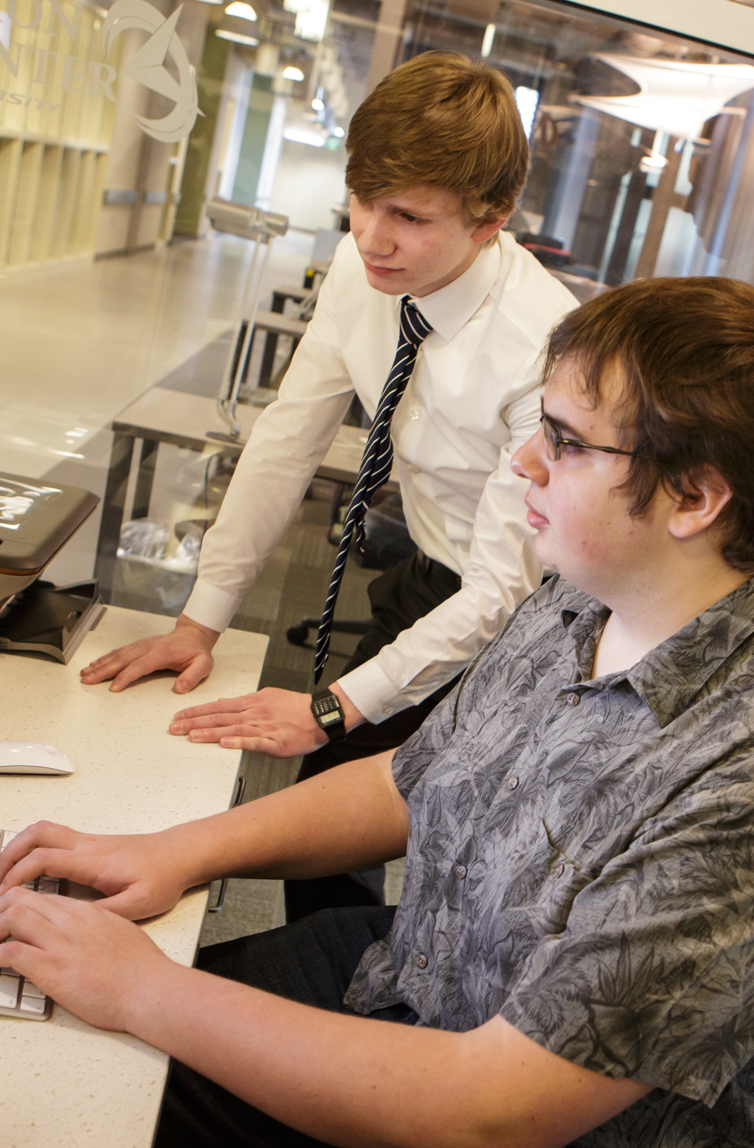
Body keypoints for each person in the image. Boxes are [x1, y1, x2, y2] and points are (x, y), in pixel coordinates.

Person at [0, 279, 754, 1148]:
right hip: (432, 977)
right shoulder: (583, 594)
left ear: (693, 498)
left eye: (562, 440)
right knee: (51, 1075)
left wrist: (147, 989)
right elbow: (413, 781)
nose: (522, 461)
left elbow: (496, 1109)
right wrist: (177, 853)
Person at [79, 51, 577, 920]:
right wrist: (203, 617)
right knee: (325, 820)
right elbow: (288, 437)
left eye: (410, 216)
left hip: (537, 623)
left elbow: (504, 589)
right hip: (429, 576)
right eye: (361, 200)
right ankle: (337, 987)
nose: (372, 236)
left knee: (446, 859)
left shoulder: (545, 343)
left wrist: (334, 704)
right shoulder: (362, 270)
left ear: (490, 219)